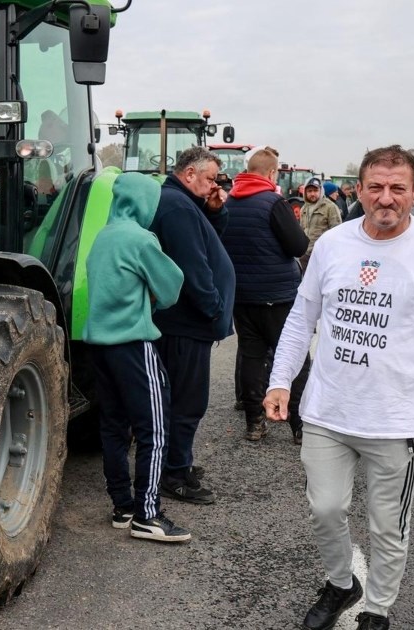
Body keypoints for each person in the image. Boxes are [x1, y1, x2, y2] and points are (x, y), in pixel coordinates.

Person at [264, 145, 414, 630]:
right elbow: (302, 319)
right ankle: (342, 585)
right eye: (376, 188)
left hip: (395, 420)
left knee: (388, 527)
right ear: (358, 190)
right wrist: (280, 381)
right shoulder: (333, 244)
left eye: (397, 188)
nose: (386, 198)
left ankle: (377, 611)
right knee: (325, 509)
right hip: (326, 411)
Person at [83, 172, 190, 542]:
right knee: (154, 430)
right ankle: (148, 514)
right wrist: (151, 300)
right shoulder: (142, 240)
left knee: (113, 427)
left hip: (99, 346)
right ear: (145, 202)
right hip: (134, 344)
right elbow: (173, 285)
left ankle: (123, 506)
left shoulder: (103, 236)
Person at [150, 146, 235, 505]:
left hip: (186, 322)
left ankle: (177, 464)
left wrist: (214, 211)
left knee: (185, 400)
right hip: (186, 322)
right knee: (186, 402)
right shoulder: (178, 207)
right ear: (189, 175)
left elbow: (205, 242)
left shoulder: (185, 204)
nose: (214, 186)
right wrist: (214, 309)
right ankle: (174, 473)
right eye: (210, 179)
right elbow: (193, 266)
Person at [222, 147, 311, 443]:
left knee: (251, 357)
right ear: (272, 173)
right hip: (277, 295)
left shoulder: (229, 202)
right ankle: (298, 425)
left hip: (243, 296)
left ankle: (254, 424)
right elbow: (298, 245)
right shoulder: (274, 202)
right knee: (294, 357)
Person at [298, 177, 342, 269]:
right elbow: (301, 231)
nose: (312, 194)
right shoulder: (303, 209)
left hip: (322, 256)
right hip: (306, 256)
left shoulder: (330, 207)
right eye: (309, 191)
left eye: (315, 190)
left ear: (321, 191)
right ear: (305, 192)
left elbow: (337, 233)